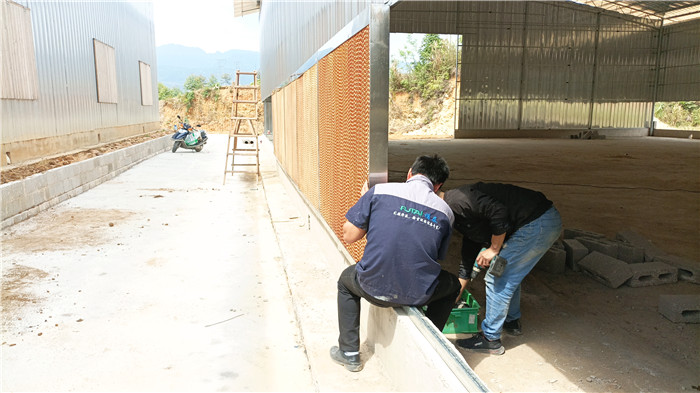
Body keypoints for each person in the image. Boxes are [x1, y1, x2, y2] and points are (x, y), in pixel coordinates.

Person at [331, 154, 461, 372]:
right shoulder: (445, 212)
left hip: (370, 286)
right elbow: (436, 254)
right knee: (453, 285)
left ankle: (349, 353)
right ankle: (430, 345)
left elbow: (349, 236)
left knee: (345, 282)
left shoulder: (380, 191)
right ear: (438, 185)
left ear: (410, 173)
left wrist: (365, 203)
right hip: (418, 293)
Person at [442, 182, 562, 355]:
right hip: (541, 221)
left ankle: (490, 339)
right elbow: (466, 265)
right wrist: (453, 299)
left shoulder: (457, 200)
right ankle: (511, 321)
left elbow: (499, 212)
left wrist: (493, 249)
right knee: (509, 273)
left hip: (536, 223)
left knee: (496, 276)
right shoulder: (463, 219)